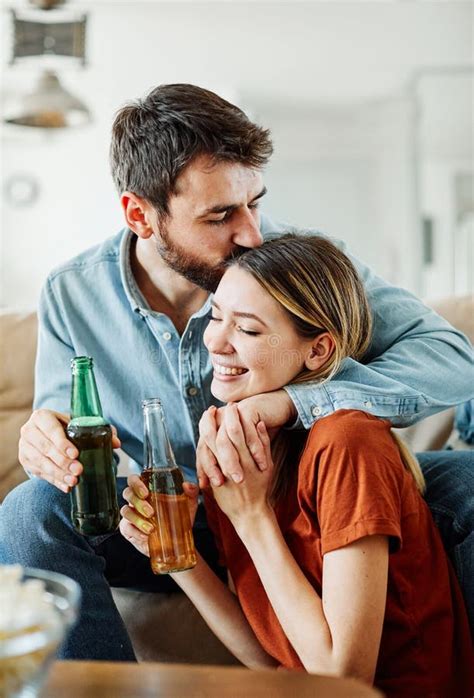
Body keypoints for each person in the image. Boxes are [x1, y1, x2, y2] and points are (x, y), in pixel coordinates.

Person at [0, 84, 472, 661]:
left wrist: (294, 404)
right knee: (30, 511)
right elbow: (66, 426)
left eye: (255, 202)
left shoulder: (292, 263)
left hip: (302, 504)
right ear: (140, 215)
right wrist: (46, 442)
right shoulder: (71, 293)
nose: (250, 233)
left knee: (468, 483)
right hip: (176, 517)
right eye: (221, 214)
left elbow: (452, 358)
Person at [120, 234, 473, 697]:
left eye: (247, 330)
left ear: (318, 350)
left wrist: (251, 518)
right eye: (216, 315)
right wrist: (179, 553)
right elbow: (269, 659)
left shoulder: (348, 443)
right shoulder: (232, 441)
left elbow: (343, 679)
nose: (216, 342)